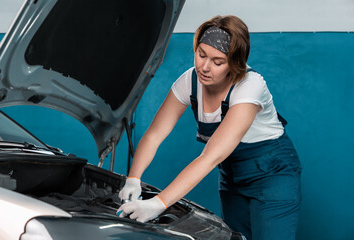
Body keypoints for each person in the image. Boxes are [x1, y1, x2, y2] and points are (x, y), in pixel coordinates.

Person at [117, 15, 301, 240]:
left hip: (273, 173)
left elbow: (210, 156)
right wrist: (133, 178)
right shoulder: (190, 81)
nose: (204, 67)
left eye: (217, 61)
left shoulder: (250, 87)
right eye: (201, 54)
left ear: (235, 63)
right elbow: (155, 135)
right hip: (232, 175)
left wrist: (158, 203)